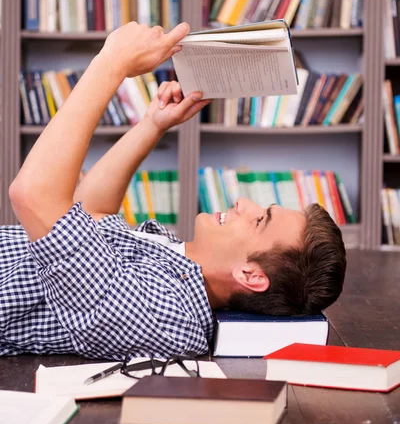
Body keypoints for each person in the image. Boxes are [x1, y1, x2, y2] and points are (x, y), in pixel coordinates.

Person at [1, 22, 346, 360]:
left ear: (251, 275)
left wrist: (112, 62)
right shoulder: (175, 256)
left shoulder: (168, 314)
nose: (243, 202)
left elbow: (34, 197)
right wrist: (154, 124)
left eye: (259, 221)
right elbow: (91, 212)